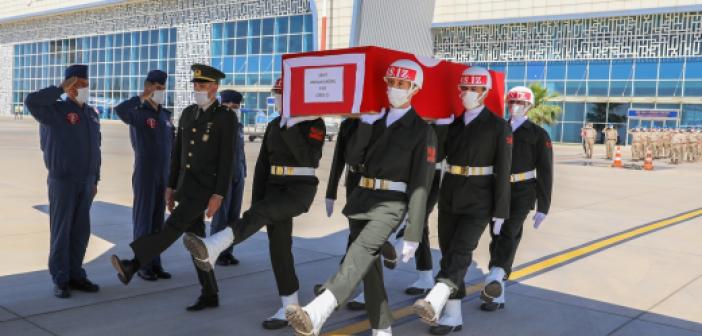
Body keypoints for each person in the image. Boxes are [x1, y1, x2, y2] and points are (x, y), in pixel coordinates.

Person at [285, 59, 437, 336]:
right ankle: (382, 329)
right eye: (390, 82)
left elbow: (420, 184)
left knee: (360, 252)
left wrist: (413, 230)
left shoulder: (422, 130)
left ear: (414, 89)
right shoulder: (374, 121)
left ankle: (318, 311)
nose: (394, 88)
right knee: (369, 268)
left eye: (401, 84)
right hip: (363, 197)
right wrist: (365, 125)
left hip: (391, 203)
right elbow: (353, 158)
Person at [182, 78, 326, 330]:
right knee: (279, 248)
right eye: (276, 93)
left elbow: (308, 158)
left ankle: (214, 246)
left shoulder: (313, 123)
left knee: (265, 220)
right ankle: (290, 306)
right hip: (273, 188)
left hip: (298, 190)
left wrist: (293, 124)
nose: (278, 97)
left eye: (283, 93)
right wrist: (258, 198)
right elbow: (262, 167)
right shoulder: (273, 124)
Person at [110, 64, 236, 312]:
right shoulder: (188, 113)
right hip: (186, 187)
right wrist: (170, 187)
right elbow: (178, 154)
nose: (198, 89)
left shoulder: (224, 117)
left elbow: (227, 160)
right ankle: (210, 292)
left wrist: (219, 194)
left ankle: (133, 265)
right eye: (196, 85)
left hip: (205, 189)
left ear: (215, 88)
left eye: (203, 85)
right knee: (196, 242)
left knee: (172, 227)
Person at [412, 66, 512, 335]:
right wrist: (439, 128)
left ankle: (436, 298)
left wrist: (501, 211)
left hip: (480, 199)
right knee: (448, 253)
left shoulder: (498, 125)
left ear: (485, 92)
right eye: (464, 88)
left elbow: (503, 170)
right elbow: (437, 155)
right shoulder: (453, 123)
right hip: (451, 194)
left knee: (461, 251)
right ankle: (453, 315)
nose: (468, 93)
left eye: (474, 89)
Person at [25, 64, 101, 298]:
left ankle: (76, 274)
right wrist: (58, 88)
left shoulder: (90, 114)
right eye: (77, 84)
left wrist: (95, 178)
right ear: (68, 86)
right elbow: (31, 102)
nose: (82, 88)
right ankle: (61, 278)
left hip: (86, 181)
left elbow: (95, 148)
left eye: (85, 84)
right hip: (63, 181)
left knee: (80, 231)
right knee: (61, 231)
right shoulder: (53, 110)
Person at [481, 86, 553, 313]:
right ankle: (497, 291)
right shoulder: (498, 129)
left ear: (529, 107)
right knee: (496, 235)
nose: (515, 106)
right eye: (511, 102)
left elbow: (545, 171)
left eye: (520, 103)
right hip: (497, 188)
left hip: (523, 190)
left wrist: (543, 206)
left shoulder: (538, 135)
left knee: (510, 231)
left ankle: (496, 274)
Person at [322, 115, 399, 312]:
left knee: (366, 240)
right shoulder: (349, 123)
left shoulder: (385, 119)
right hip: (355, 182)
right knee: (357, 237)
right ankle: (358, 285)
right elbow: (339, 157)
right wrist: (331, 192)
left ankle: (357, 288)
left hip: (378, 183)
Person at [114, 70, 174, 282]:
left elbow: (173, 147)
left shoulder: (166, 116)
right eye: (156, 87)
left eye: (162, 88)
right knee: (143, 221)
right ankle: (142, 265)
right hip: (145, 172)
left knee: (158, 223)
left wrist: (173, 181)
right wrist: (141, 96)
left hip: (163, 174)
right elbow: (119, 111)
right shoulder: (138, 112)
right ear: (148, 87)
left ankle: (155, 264)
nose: (159, 91)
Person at [209, 89, 246, 267]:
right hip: (222, 178)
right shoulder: (216, 126)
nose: (231, 109)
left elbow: (240, 151)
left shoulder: (239, 126)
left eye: (236, 106)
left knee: (233, 218)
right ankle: (215, 252)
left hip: (238, 175)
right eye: (227, 106)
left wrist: (243, 172)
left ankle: (228, 252)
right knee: (220, 218)